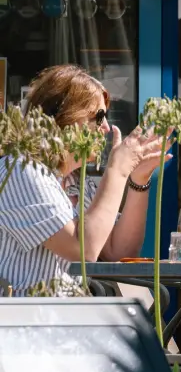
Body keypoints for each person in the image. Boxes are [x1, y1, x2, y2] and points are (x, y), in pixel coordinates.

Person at [0, 65, 168, 295]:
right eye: (98, 117)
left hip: (66, 319)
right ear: (64, 117)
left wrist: (138, 179)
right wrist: (117, 170)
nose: (107, 128)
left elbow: (116, 251)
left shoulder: (75, 182)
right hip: (29, 322)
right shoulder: (22, 170)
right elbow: (83, 249)